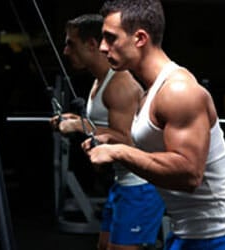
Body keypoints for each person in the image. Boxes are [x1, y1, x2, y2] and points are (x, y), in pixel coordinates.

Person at [81, 1, 225, 249]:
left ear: (140, 38)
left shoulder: (178, 91)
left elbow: (189, 174)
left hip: (219, 233)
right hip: (186, 229)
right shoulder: (150, 90)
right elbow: (162, 152)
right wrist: (112, 141)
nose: (103, 47)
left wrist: (120, 151)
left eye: (110, 38)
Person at [50, 14, 166, 250]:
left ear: (91, 44)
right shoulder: (100, 81)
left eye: (71, 43)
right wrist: (78, 120)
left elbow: (127, 140)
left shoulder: (119, 85)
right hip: (121, 182)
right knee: (104, 246)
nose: (65, 51)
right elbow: (110, 125)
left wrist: (78, 126)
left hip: (140, 186)